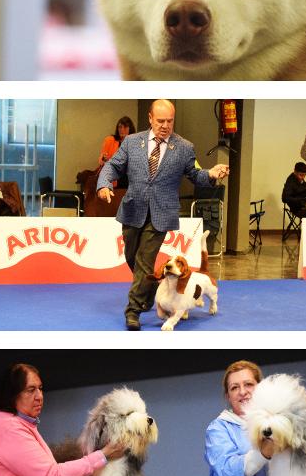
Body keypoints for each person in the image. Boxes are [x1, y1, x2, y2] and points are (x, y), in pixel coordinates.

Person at [97, 99, 228, 331]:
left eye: (170, 121)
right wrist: (104, 184)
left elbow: (195, 174)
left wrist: (211, 174)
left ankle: (133, 311)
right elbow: (113, 166)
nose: (165, 125)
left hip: (161, 213)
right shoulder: (131, 142)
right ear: (150, 118)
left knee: (145, 260)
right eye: (160, 121)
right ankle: (149, 293)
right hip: (132, 210)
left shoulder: (184, 147)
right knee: (133, 258)